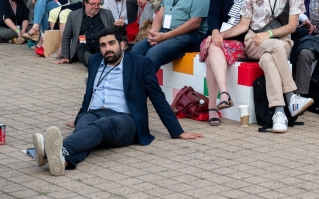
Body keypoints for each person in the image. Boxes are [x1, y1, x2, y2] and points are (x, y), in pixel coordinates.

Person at [33, 28, 202, 176]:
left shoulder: (140, 63)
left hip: (124, 119)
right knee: (86, 130)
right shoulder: (95, 61)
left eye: (111, 43)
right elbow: (89, 94)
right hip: (92, 113)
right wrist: (79, 118)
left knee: (101, 126)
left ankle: (54, 149)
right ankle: (62, 162)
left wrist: (177, 131)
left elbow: (157, 97)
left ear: (121, 45)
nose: (107, 49)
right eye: (103, 45)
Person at [220, 0, 313, 133]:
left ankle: (279, 112)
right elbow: (243, 25)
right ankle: (291, 97)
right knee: (275, 49)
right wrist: (218, 35)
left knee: (268, 59)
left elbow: (292, 27)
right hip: (254, 40)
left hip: (280, 40)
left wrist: (269, 34)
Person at [199, 0, 256, 125]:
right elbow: (213, 16)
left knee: (211, 58)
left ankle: (213, 106)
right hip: (215, 36)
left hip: (237, 41)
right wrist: (215, 32)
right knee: (214, 45)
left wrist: (221, 36)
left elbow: (246, 26)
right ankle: (224, 94)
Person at [132, 0, 211, 71]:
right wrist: (154, 34)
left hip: (191, 34)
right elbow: (161, 12)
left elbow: (195, 23)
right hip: (166, 31)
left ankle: (145, 86)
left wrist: (165, 37)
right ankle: (134, 84)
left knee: (153, 54)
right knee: (136, 50)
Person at [55, 0, 114, 67]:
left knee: (103, 46)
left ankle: (100, 61)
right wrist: (65, 56)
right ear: (85, 3)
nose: (96, 7)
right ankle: (92, 62)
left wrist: (121, 26)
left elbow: (115, 33)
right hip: (83, 46)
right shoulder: (74, 15)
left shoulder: (107, 14)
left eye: (98, 4)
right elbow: (66, 36)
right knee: (81, 47)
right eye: (93, 4)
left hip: (100, 44)